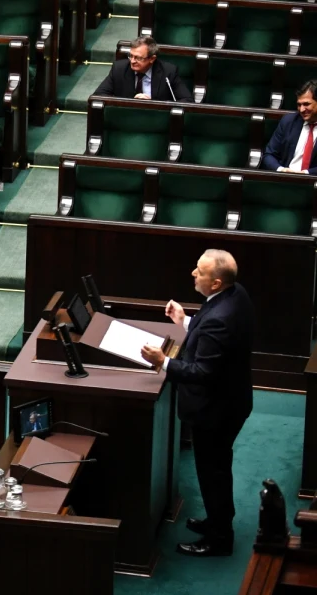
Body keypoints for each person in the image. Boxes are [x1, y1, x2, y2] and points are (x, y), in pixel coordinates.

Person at [141, 249, 253, 557]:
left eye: (200, 271)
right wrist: (185, 321)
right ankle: (217, 522)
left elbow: (203, 372)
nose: (193, 273)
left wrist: (163, 362)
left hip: (217, 411)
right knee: (216, 469)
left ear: (216, 283)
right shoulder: (235, 294)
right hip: (231, 401)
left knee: (213, 472)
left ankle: (219, 539)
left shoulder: (221, 317)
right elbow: (213, 337)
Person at [92, 36, 191, 102]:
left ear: (152, 59)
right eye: (131, 56)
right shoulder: (119, 69)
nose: (132, 61)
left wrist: (153, 104)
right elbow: (99, 95)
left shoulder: (168, 72)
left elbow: (187, 101)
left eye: (138, 58)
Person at [264, 80, 317, 175]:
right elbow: (269, 155)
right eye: (299, 105)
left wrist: (306, 174)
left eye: (306, 104)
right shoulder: (288, 121)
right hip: (285, 179)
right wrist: (281, 170)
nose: (301, 109)